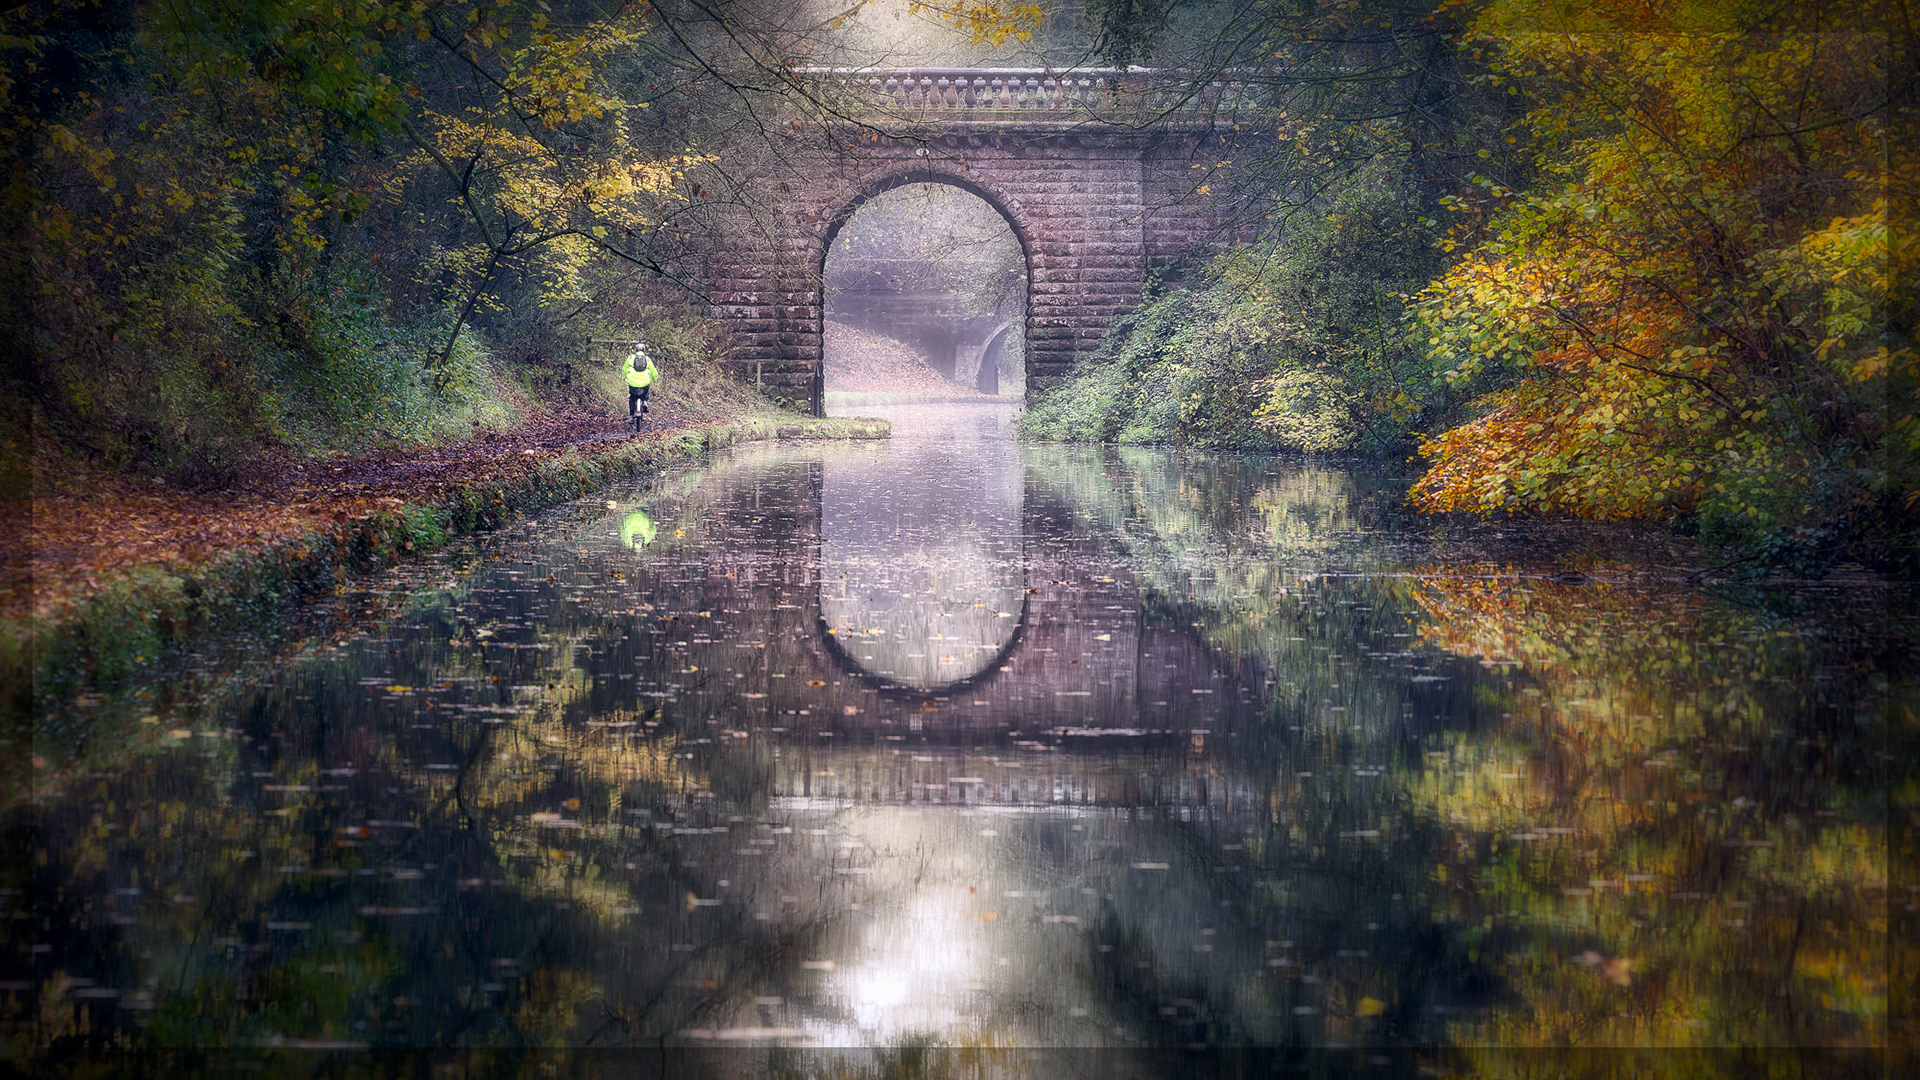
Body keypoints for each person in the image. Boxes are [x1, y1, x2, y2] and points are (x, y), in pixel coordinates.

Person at [621, 347, 659, 431]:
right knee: (646, 390)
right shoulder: (647, 359)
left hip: (632, 382)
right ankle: (645, 401)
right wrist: (654, 379)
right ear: (644, 350)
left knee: (632, 397)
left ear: (635, 350)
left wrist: (624, 378)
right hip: (644, 382)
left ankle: (631, 416)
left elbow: (624, 369)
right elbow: (653, 370)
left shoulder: (631, 358)